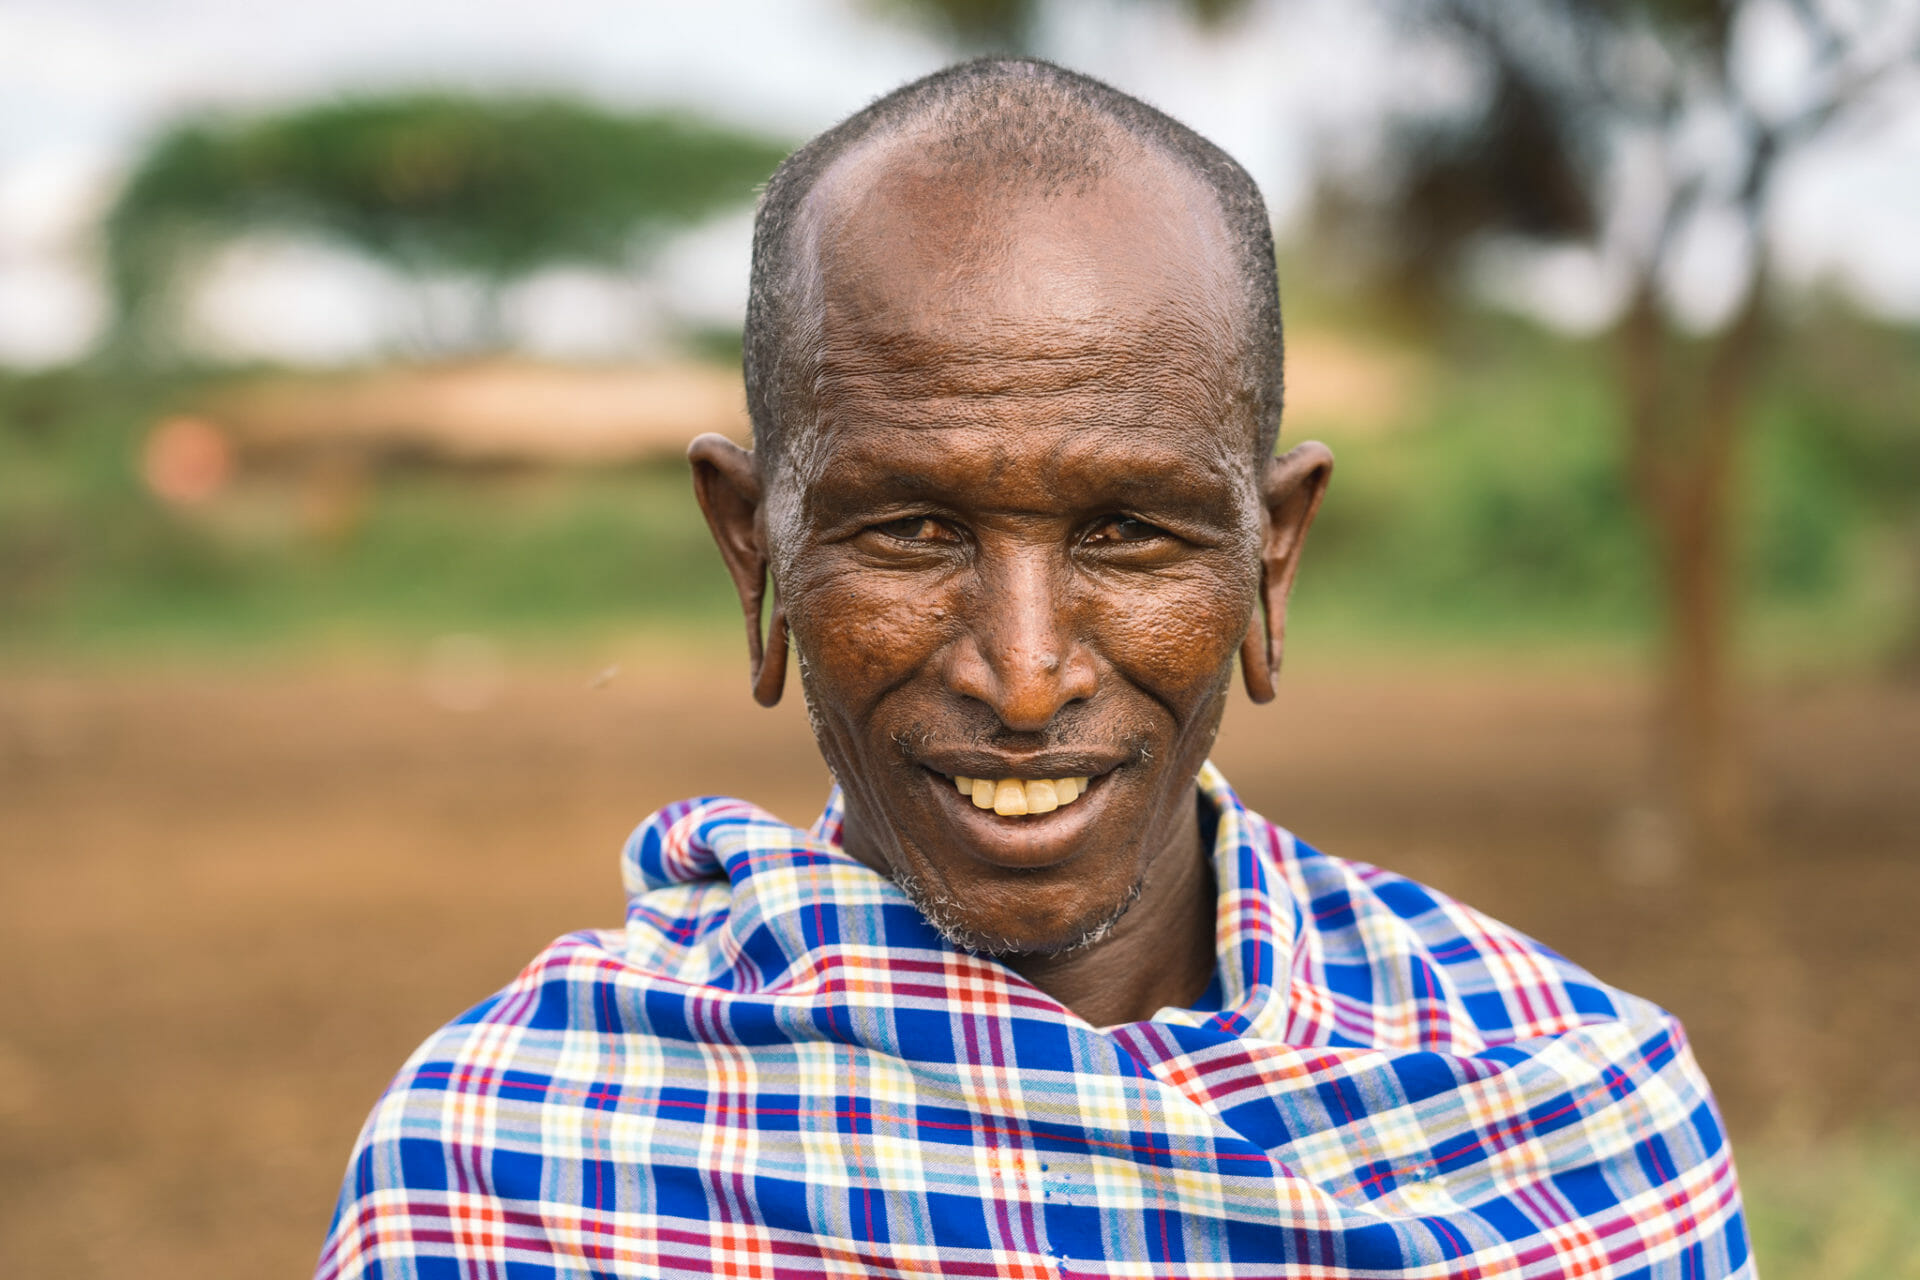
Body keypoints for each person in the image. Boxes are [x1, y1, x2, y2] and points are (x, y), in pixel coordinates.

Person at [315, 59, 1750, 1278]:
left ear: (1273, 551)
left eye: (1128, 533)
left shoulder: (1576, 1117)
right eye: (912, 528)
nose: (1023, 672)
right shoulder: (519, 1172)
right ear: (755, 548)